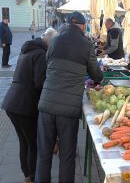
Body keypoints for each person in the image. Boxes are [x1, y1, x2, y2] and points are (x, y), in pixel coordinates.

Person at [35, 11, 103, 183]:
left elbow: (48, 65)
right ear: (81, 25)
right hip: (68, 109)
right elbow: (96, 73)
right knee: (67, 156)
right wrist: (98, 77)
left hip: (46, 104)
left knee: (44, 153)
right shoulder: (86, 44)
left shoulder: (54, 40)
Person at [1, 27, 59, 183]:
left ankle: (27, 174)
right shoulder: (41, 55)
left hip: (12, 102)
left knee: (24, 141)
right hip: (24, 105)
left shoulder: (27, 50)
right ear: (50, 43)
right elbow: (39, 83)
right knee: (33, 143)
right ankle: (32, 176)